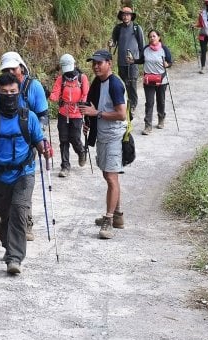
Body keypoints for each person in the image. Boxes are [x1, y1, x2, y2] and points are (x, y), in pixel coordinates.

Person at [0, 51, 49, 245]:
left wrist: (38, 141)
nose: (10, 72)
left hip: (26, 142)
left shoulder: (34, 87)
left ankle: (25, 223)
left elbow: (43, 116)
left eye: (13, 68)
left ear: (21, 67)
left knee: (21, 187)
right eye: (6, 70)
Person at [78, 50, 127, 240]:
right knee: (109, 175)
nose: (96, 66)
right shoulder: (98, 82)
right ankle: (118, 215)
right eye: (94, 63)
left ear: (109, 63)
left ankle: (109, 220)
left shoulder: (114, 84)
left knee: (111, 177)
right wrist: (88, 121)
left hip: (114, 135)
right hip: (103, 134)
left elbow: (121, 114)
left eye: (100, 63)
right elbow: (92, 105)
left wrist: (95, 113)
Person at [48, 53, 90, 177]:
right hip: (63, 113)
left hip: (77, 113)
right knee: (63, 139)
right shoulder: (61, 79)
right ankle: (65, 166)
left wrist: (83, 104)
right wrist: (49, 94)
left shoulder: (82, 78)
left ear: (74, 65)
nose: (68, 72)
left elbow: (86, 94)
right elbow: (55, 95)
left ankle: (81, 151)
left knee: (75, 138)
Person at [127, 29, 173, 134]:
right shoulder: (146, 49)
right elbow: (142, 60)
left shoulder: (164, 49)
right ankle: (148, 126)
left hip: (162, 80)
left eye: (154, 36)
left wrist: (167, 64)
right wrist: (133, 61)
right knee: (149, 103)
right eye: (150, 37)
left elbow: (170, 62)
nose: (152, 38)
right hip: (148, 80)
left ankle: (161, 119)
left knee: (161, 100)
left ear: (159, 37)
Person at [109, 6, 144, 119]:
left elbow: (142, 45)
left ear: (131, 16)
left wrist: (141, 59)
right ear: (121, 16)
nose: (125, 16)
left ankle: (133, 105)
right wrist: (111, 44)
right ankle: (123, 104)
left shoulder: (136, 28)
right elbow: (113, 42)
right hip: (121, 61)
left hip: (133, 62)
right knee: (122, 84)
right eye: (124, 14)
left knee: (132, 83)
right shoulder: (118, 28)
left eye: (128, 14)